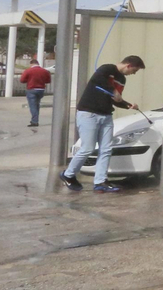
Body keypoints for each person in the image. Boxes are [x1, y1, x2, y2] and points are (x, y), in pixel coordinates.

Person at [58, 54, 145, 194]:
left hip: (106, 116)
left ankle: (100, 182)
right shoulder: (107, 69)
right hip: (88, 114)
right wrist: (113, 90)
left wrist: (128, 105)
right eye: (134, 70)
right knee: (87, 148)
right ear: (128, 65)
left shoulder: (122, 79)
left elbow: (115, 99)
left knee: (106, 149)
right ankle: (68, 175)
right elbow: (97, 80)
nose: (133, 74)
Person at [21, 58, 52, 128]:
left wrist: (28, 80)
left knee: (32, 106)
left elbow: (22, 80)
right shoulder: (45, 71)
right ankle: (35, 119)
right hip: (41, 89)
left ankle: (34, 121)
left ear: (31, 64)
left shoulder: (28, 71)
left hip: (31, 89)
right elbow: (48, 81)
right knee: (37, 104)